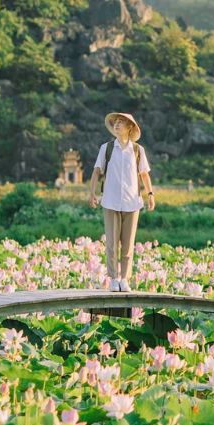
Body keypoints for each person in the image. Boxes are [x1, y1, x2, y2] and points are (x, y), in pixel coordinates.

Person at [87, 112, 155, 291]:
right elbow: (96, 172)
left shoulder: (138, 150)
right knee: (111, 243)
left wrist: (150, 194)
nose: (117, 125)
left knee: (128, 244)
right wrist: (92, 193)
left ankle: (124, 278)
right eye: (115, 122)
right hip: (110, 201)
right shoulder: (106, 148)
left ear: (129, 128)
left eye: (121, 123)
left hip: (132, 203)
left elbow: (144, 174)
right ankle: (113, 278)